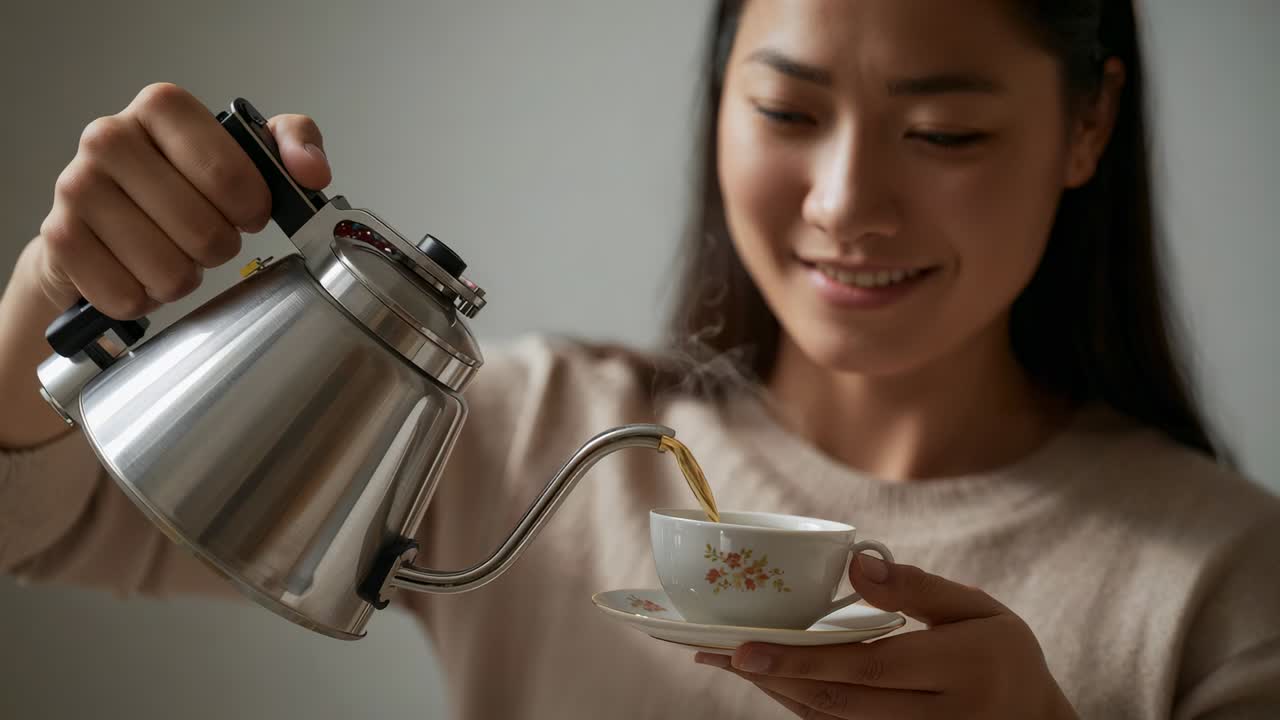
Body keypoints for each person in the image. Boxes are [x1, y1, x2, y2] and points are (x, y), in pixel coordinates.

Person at [2, 1, 1277, 717]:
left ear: (1086, 123)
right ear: (717, 100)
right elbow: (34, 527)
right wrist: (62, 286)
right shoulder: (514, 433)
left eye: (941, 132)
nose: (845, 202)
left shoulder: (1223, 584)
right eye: (784, 112)